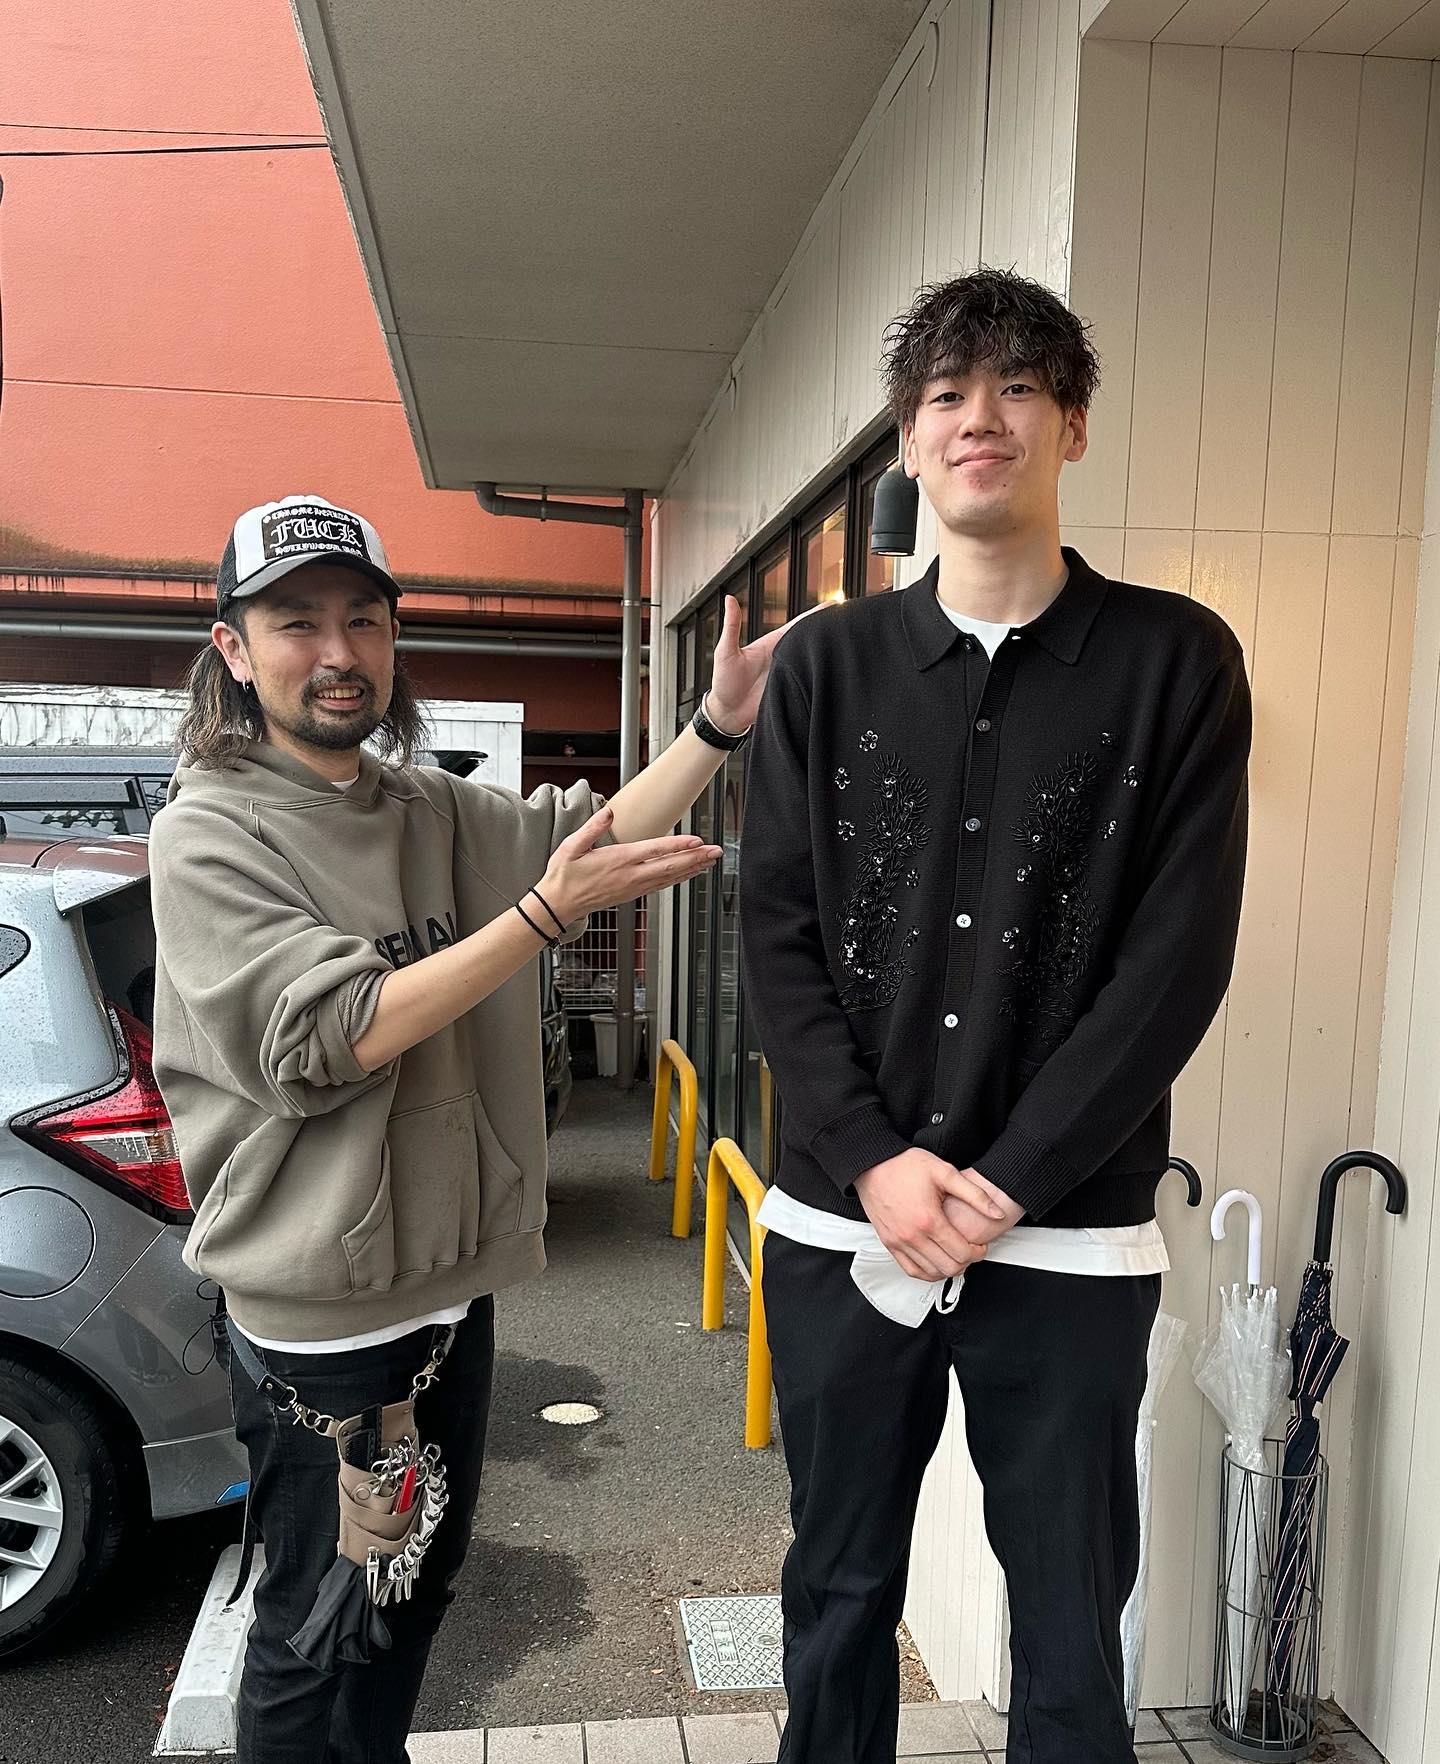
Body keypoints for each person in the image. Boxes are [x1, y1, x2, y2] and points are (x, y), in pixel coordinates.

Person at [149, 494, 780, 1764]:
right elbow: (337, 1032)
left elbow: (590, 837)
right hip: (323, 1328)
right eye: (297, 622)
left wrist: (718, 723)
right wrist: (543, 916)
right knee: (318, 1626)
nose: (338, 652)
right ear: (234, 649)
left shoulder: (424, 805)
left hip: (446, 1296)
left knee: (416, 1589)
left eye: (364, 620)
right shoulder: (208, 831)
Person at [740, 270, 1251, 1764]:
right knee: (838, 1592)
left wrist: (1009, 1176)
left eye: (1020, 387)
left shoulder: (1176, 662)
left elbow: (1174, 962)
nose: (983, 419)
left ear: (1072, 427)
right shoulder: (826, 667)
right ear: (910, 440)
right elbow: (778, 935)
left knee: (1073, 1614)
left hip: (1072, 1230)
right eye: (949, 394)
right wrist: (874, 1160)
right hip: (847, 1223)